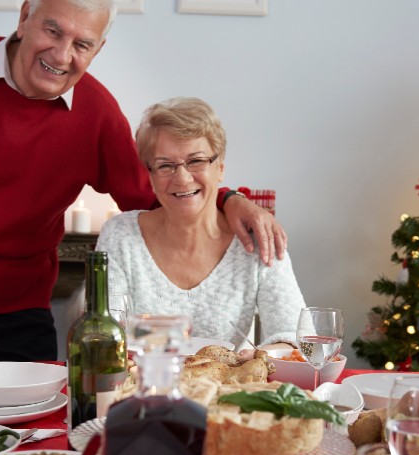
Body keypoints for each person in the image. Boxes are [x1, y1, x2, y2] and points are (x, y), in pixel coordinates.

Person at [0, 0, 285, 362]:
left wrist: (229, 198)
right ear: (24, 17)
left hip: (16, 311)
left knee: (34, 430)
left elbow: (161, 191)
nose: (61, 55)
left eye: (81, 44)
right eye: (52, 31)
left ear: (98, 49)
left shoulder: (96, 113)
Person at [96, 97, 306, 351]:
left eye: (195, 161)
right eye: (165, 165)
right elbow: (104, 332)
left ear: (220, 169)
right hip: (146, 386)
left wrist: (251, 360)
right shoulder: (120, 236)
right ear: (150, 177)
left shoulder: (257, 237)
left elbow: (296, 337)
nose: (182, 179)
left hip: (230, 388)